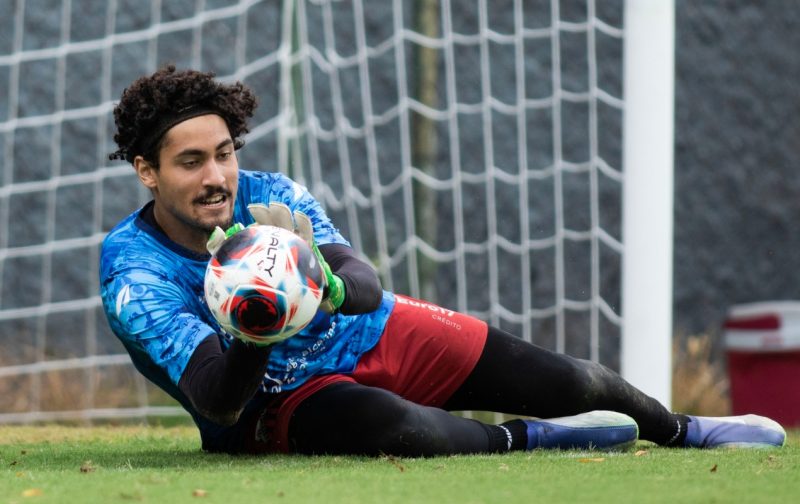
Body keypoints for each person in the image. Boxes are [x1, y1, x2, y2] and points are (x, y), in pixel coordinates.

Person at [100, 65, 785, 456]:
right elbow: (218, 405)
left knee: (571, 378)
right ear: (147, 172)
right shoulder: (135, 272)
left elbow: (364, 284)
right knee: (388, 425)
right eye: (191, 162)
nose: (217, 175)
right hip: (274, 402)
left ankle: (684, 430)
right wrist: (259, 308)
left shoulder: (272, 194)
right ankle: (530, 438)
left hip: (368, 330)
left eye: (223, 153)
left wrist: (318, 274)